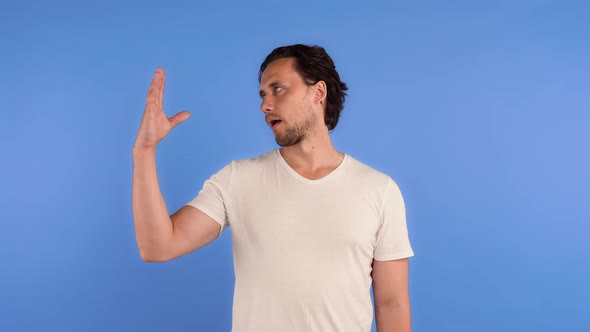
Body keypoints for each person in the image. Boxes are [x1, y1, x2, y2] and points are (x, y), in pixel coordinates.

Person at [132, 44, 414, 332]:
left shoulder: (379, 190)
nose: (265, 105)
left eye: (278, 89)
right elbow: (157, 246)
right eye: (263, 94)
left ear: (318, 93)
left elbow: (392, 304)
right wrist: (144, 149)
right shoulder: (237, 180)